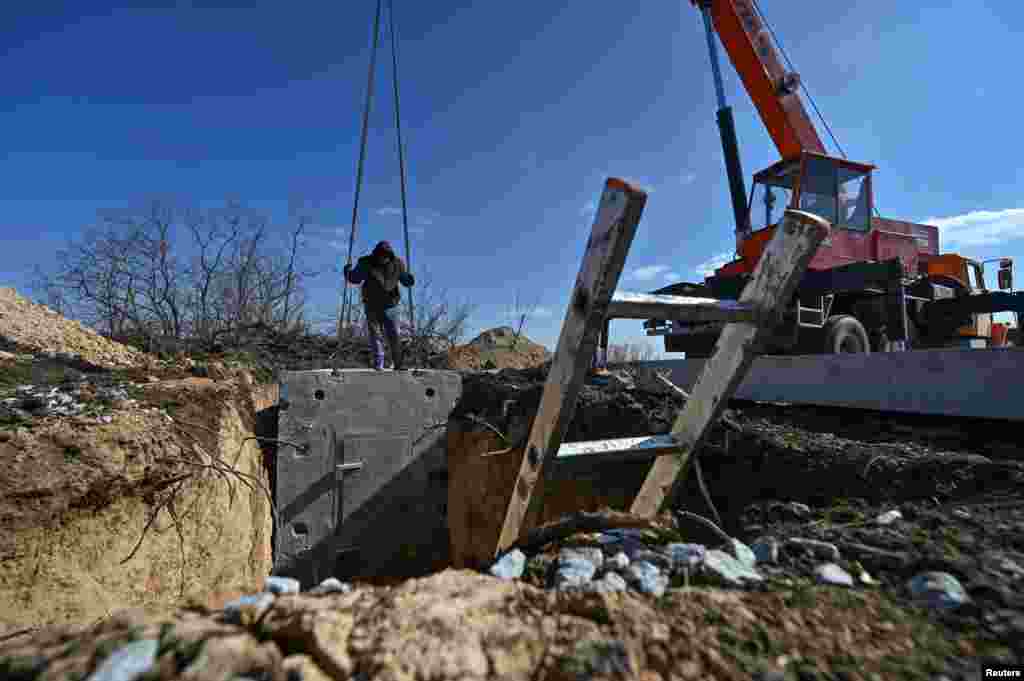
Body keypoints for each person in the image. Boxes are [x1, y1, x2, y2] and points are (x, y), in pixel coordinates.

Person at [343, 241, 415, 370]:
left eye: (386, 256)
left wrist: (409, 280)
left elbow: (404, 280)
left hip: (390, 304)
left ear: (390, 255)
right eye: (381, 256)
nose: (383, 259)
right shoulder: (366, 262)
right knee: (375, 335)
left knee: (394, 335)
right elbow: (355, 278)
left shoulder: (397, 263)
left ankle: (398, 364)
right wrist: (348, 272)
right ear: (376, 255)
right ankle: (378, 364)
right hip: (372, 304)